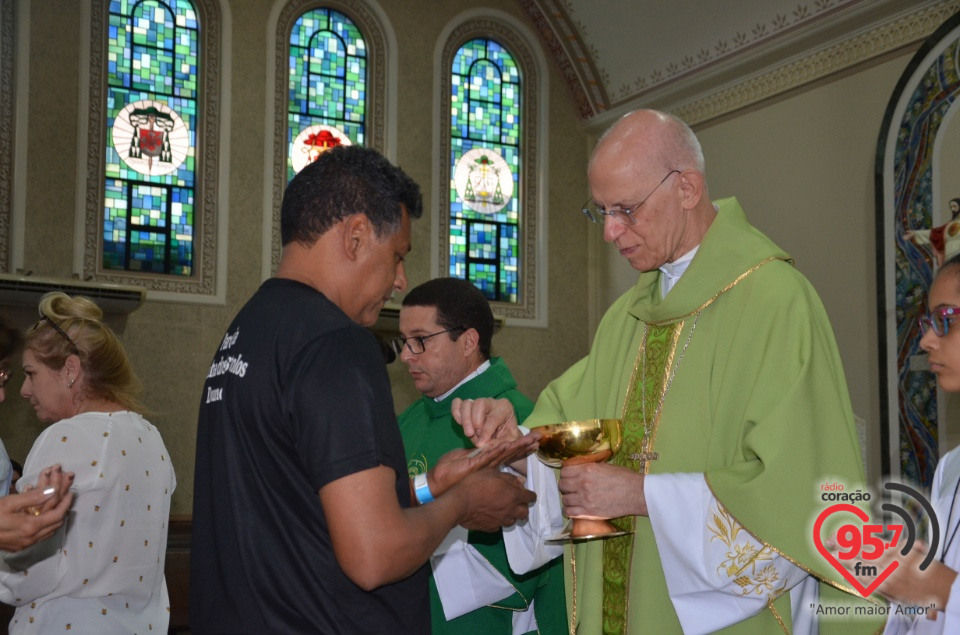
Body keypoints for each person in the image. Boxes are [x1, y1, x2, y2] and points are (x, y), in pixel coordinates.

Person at [453, 109, 879, 634]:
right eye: (601, 211)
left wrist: (641, 495)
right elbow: (576, 434)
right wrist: (514, 444)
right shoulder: (629, 315)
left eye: (626, 209)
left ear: (687, 188)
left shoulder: (775, 302)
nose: (611, 232)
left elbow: (799, 489)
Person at [190, 145, 537, 634]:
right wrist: (463, 503)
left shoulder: (246, 331)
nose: (400, 280)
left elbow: (298, 506)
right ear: (355, 236)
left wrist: (431, 487)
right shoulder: (336, 343)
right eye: (396, 256)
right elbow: (374, 556)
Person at [394, 277, 566, 635]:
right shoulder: (405, 420)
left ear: (469, 341)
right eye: (404, 342)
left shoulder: (522, 422)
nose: (406, 355)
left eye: (420, 341)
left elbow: (546, 532)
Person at [0, 292, 174, 633]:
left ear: (69, 369)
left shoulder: (66, 436)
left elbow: (28, 574)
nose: (23, 390)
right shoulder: (152, 438)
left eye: (31, 373)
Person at [841, 252, 960, 633]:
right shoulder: (951, 468)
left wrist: (940, 587)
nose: (926, 340)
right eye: (929, 322)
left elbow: (941, 590)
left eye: (946, 319)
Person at [906, 198, 960, 268]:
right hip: (949, 257)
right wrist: (915, 233)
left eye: (954, 206)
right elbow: (934, 234)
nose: (952, 209)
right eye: (951, 207)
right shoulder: (948, 225)